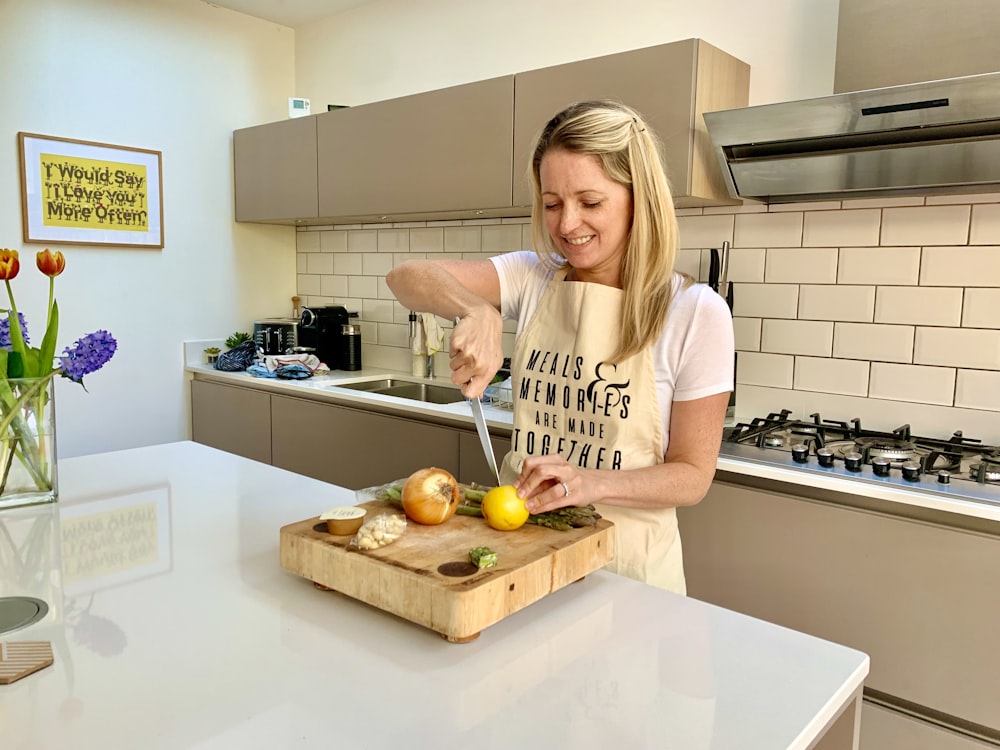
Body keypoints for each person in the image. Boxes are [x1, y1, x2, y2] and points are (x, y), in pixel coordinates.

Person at [386, 99, 734, 593]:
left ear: (641, 200)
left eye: (590, 203)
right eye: (552, 204)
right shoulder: (533, 277)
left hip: (627, 572)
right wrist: (476, 309)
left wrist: (591, 483)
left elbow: (692, 476)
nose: (567, 225)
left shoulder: (694, 311)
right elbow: (405, 277)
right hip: (521, 554)